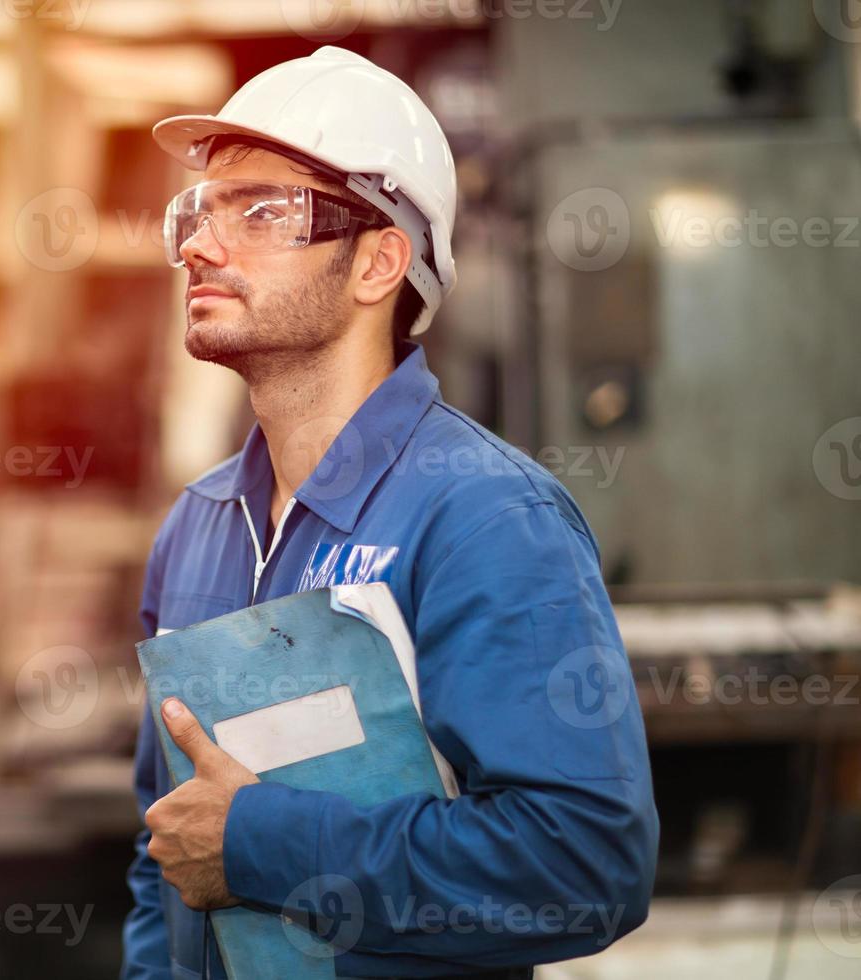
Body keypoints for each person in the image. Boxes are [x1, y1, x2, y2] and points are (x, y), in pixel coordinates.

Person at [121, 46, 658, 980]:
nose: (202, 246)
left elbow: (585, 865)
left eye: (260, 211)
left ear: (379, 262)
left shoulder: (486, 520)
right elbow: (163, 848)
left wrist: (260, 844)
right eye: (198, 214)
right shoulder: (197, 528)